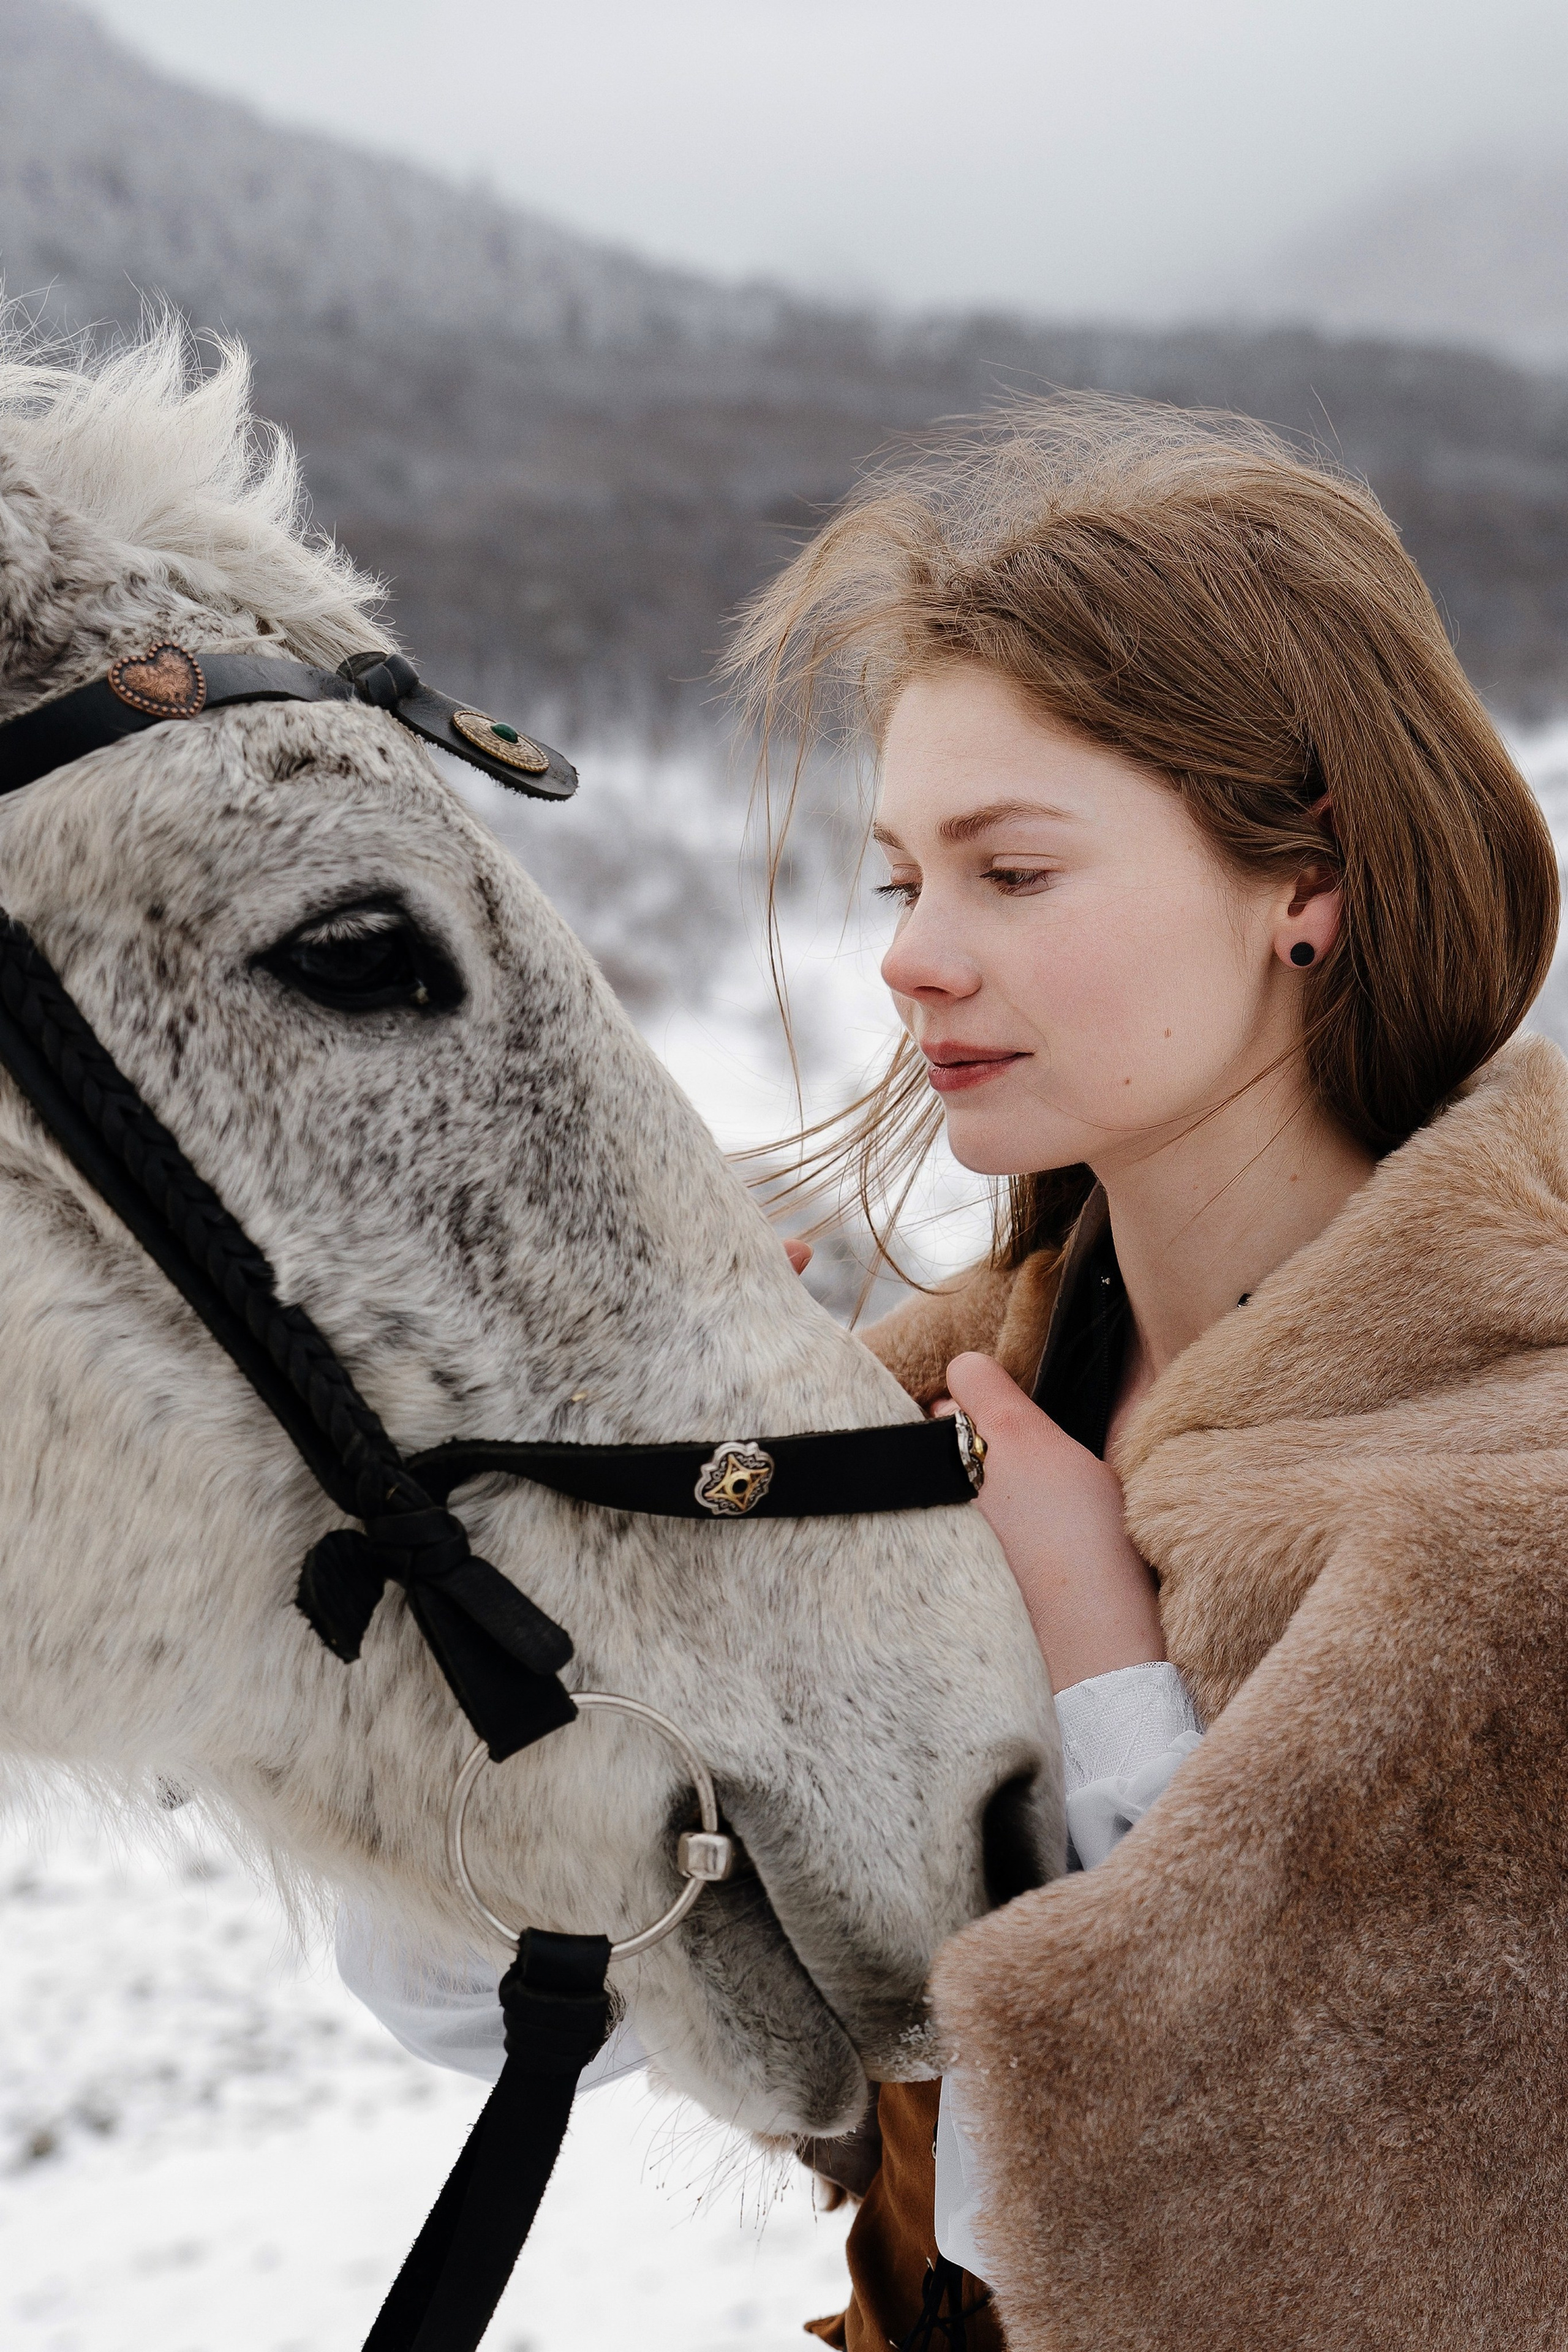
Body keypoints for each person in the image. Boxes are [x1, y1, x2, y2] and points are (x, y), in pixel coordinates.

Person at [342, 399, 1563, 2348]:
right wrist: (577, 1538)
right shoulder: (915, 1422)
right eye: (903, 878)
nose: (909, 959)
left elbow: (1282, 2240)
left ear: (1307, 881)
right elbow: (492, 2008)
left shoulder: (1516, 1512)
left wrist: (1099, 1659)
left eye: (1011, 872)